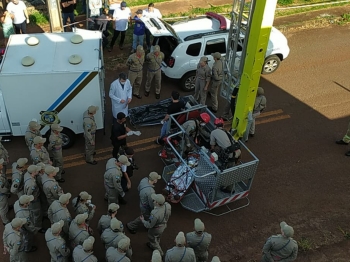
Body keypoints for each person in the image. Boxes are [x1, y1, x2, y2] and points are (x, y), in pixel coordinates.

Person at [23, 164, 44, 232]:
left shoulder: (27, 174)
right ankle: (38, 227)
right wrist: (33, 199)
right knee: (37, 213)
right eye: (37, 171)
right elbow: (29, 195)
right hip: (34, 200)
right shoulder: (31, 184)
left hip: (33, 197)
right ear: (33, 173)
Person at [0, 158, 11, 226]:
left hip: (3, 194)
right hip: (1, 195)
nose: (2, 164)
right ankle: (5, 221)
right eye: (0, 164)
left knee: (5, 206)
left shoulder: (1, 172)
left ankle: (7, 207)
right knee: (2, 209)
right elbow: (2, 189)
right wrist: (8, 191)